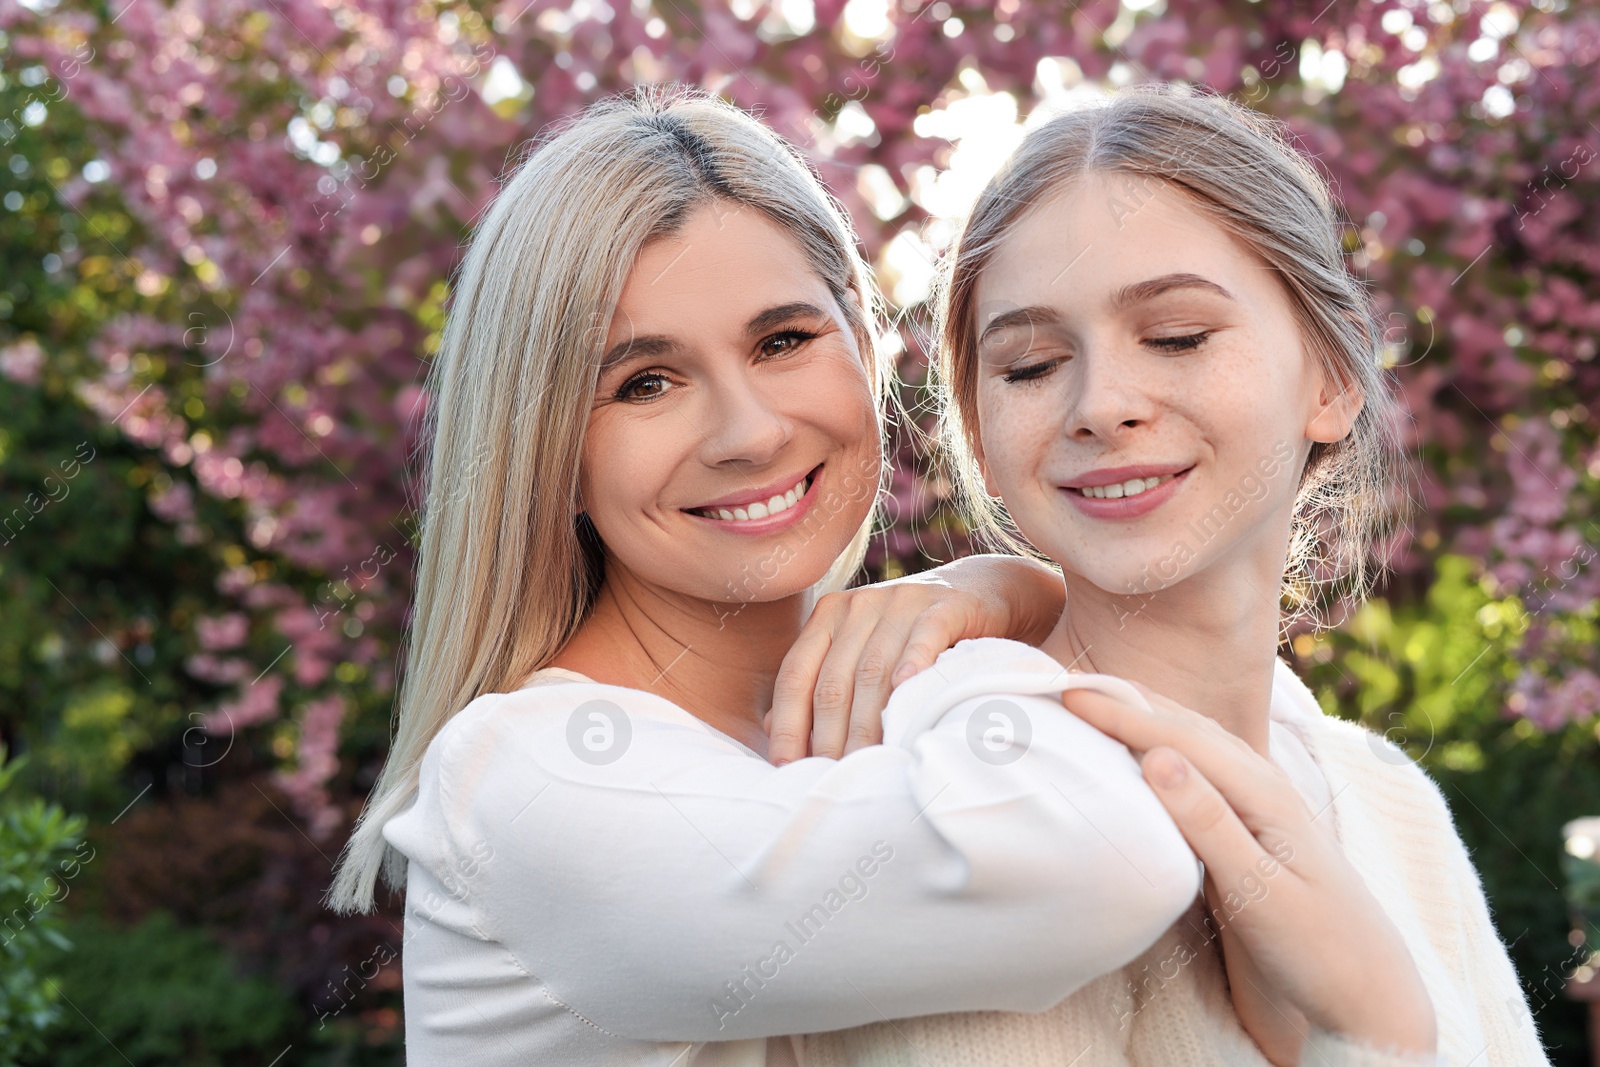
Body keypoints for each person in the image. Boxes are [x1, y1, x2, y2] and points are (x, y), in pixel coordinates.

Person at [325, 86, 1209, 1066]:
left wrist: (999, 591)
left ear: (865, 347)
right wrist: (1013, 599)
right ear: (547, 450)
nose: (747, 432)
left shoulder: (874, 698)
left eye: (782, 340)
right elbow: (1111, 858)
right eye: (644, 382)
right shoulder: (534, 777)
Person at [795, 87, 1550, 1066]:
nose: (1099, 404)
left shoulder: (1383, 798)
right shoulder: (963, 801)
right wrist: (1371, 1035)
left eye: (1178, 335)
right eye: (1028, 364)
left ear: (1329, 379)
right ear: (978, 436)